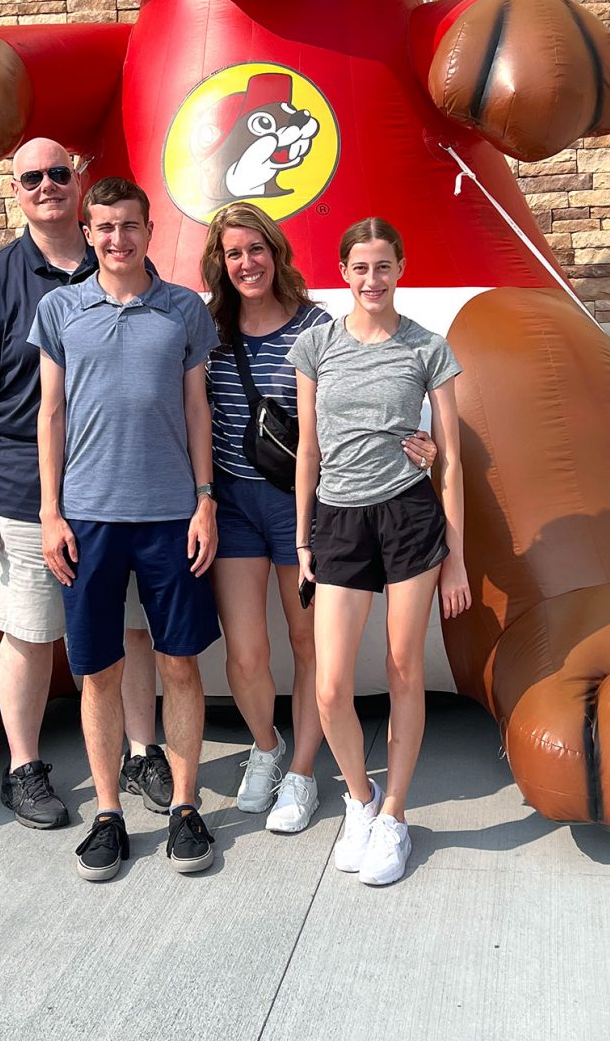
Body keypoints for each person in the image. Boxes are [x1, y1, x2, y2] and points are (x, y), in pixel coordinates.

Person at [0, 140, 170, 831]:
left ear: (80, 183)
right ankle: (24, 767)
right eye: (31, 178)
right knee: (31, 632)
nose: (46, 186)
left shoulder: (129, 265)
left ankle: (140, 749)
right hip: (20, 493)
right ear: (15, 191)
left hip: (120, 489)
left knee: (133, 629)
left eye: (58, 174)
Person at [201, 202, 441, 833]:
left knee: (309, 645)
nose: (247, 263)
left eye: (257, 250)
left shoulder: (315, 326)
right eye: (234, 253)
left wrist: (425, 444)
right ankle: (267, 748)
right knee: (247, 653)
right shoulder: (210, 329)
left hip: (299, 505)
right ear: (220, 264)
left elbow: (356, 410)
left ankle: (304, 774)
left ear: (276, 254)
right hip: (232, 501)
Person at [31, 176, 222, 881]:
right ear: (89, 232)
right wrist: (50, 512)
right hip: (86, 517)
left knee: (179, 665)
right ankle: (108, 813)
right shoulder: (59, 310)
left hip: (173, 514)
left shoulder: (183, 311)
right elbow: (49, 415)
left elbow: (198, 410)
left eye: (131, 226)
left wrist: (205, 501)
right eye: (105, 227)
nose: (119, 239)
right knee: (99, 670)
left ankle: (184, 805)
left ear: (149, 229)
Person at [290, 217, 470, 887]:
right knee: (332, 686)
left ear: (400, 268)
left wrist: (456, 557)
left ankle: (395, 814)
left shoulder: (428, 348)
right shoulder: (315, 347)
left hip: (408, 520)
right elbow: (307, 448)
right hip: (338, 519)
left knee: (402, 670)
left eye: (384, 267)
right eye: (360, 268)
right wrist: (303, 536)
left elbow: (448, 461)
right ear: (343, 272)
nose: (372, 279)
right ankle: (359, 800)